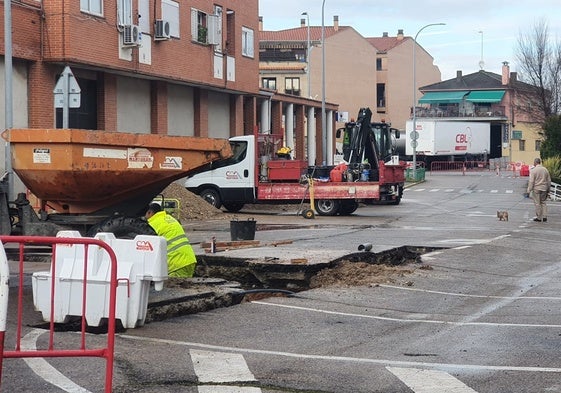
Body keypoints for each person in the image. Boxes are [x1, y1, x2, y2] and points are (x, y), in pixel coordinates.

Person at [145, 203, 197, 277]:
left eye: (145, 214)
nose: (145, 217)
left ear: (150, 212)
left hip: (176, 264)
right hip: (189, 259)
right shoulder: (170, 219)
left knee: (173, 288)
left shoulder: (152, 224)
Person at [526, 157, 551, 222]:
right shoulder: (545, 170)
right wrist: (548, 189)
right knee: (543, 202)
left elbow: (531, 181)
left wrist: (528, 190)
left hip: (536, 189)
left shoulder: (533, 170)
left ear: (535, 163)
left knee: (537, 203)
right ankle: (545, 217)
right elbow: (549, 181)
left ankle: (539, 217)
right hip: (544, 188)